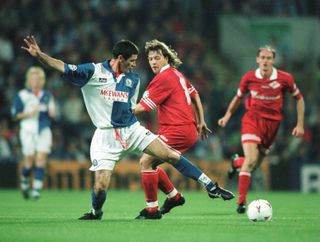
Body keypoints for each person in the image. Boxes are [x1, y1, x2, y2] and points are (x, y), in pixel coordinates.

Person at [22, 35, 234, 220]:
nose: (135, 65)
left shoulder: (134, 78)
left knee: (168, 155)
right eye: (132, 61)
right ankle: (96, 212)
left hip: (132, 130)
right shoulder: (93, 72)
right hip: (105, 136)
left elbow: (133, 107)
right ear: (120, 59)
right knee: (100, 186)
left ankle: (210, 185)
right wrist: (40, 56)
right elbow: (62, 66)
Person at [218, 45, 305, 214]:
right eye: (262, 58)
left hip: (272, 126)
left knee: (254, 165)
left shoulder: (285, 78)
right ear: (257, 59)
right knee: (250, 159)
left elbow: (299, 99)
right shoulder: (249, 77)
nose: (265, 61)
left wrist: (300, 124)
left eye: (269, 58)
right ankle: (242, 202)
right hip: (252, 121)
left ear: (273, 60)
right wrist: (227, 116)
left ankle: (236, 162)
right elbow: (238, 98)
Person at [133, 39, 212, 218]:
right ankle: (174, 197)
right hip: (186, 129)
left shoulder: (163, 77)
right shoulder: (177, 74)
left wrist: (120, 111)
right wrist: (200, 121)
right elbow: (195, 95)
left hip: (178, 130)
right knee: (150, 163)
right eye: (150, 58)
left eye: (157, 57)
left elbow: (143, 107)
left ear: (166, 58)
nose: (153, 62)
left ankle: (152, 210)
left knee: (146, 162)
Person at [11, 66, 56, 199]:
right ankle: (25, 181)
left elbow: (52, 112)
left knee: (41, 158)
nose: (36, 81)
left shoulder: (47, 95)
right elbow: (15, 114)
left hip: (43, 129)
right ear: (29, 80)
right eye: (33, 79)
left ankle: (36, 189)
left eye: (38, 79)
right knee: (29, 160)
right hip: (28, 129)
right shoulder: (22, 95)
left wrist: (52, 113)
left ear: (42, 80)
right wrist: (27, 113)